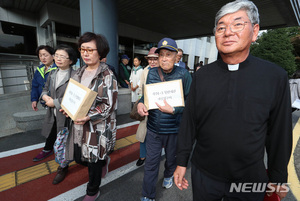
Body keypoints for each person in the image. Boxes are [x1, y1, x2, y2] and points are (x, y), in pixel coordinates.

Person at [174, 1, 292, 201]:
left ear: (255, 32)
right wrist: (181, 161)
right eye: (221, 27)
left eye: (238, 24)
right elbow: (189, 122)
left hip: (249, 179)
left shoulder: (275, 77)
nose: (227, 32)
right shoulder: (202, 76)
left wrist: (278, 177)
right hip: (204, 174)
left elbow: (280, 133)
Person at [63, 32, 118, 201]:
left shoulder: (107, 75)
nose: (85, 53)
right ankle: (103, 160)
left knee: (93, 161)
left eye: (90, 50)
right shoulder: (78, 72)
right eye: (83, 49)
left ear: (100, 53)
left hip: (97, 127)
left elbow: (109, 105)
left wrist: (89, 116)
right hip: (79, 125)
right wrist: (67, 108)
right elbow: (72, 95)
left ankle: (92, 191)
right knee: (80, 158)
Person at [137, 38, 192, 201]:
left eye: (168, 54)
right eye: (161, 55)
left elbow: (191, 102)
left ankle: (169, 174)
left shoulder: (184, 74)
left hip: (174, 130)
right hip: (153, 129)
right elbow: (146, 97)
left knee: (171, 159)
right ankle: (147, 195)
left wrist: (175, 109)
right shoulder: (152, 73)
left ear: (176, 57)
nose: (164, 58)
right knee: (151, 164)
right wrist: (141, 104)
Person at [39, 44, 77, 184]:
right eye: (56, 55)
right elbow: (44, 89)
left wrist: (55, 102)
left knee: (64, 143)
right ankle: (64, 164)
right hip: (53, 114)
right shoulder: (52, 73)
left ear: (71, 60)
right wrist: (44, 97)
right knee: (59, 141)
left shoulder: (75, 75)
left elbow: (76, 97)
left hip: (66, 115)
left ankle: (63, 166)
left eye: (62, 56)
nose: (58, 59)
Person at [135, 47, 159, 167]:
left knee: (156, 134)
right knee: (143, 132)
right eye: (150, 59)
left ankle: (153, 155)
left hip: (160, 108)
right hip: (146, 106)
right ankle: (142, 155)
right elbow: (141, 88)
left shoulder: (164, 71)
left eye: (155, 59)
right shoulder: (145, 71)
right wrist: (140, 101)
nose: (152, 62)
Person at [31, 45, 57, 111]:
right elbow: (35, 86)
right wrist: (34, 100)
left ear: (53, 56)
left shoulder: (58, 68)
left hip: (55, 103)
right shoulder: (39, 70)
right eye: (40, 55)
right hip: (44, 102)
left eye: (45, 55)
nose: (43, 58)